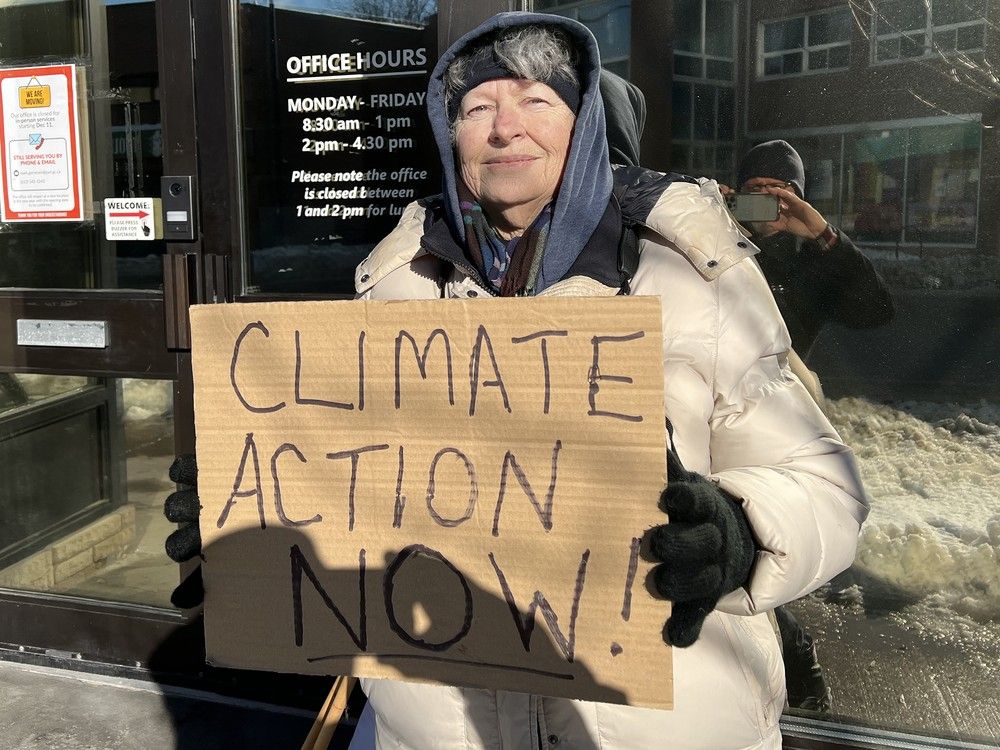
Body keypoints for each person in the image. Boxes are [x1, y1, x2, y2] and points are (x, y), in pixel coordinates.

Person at [348, 12, 868, 749]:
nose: (504, 129)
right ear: (449, 132)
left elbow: (830, 488)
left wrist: (744, 534)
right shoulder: (397, 285)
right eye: (476, 108)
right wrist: (249, 528)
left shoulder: (692, 273)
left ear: (583, 120)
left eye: (536, 101)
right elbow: (359, 484)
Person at [730, 139, 895, 359]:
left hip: (784, 385)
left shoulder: (814, 259)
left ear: (797, 197)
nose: (762, 197)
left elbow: (876, 312)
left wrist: (824, 235)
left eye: (776, 190)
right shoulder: (722, 240)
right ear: (738, 195)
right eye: (754, 188)